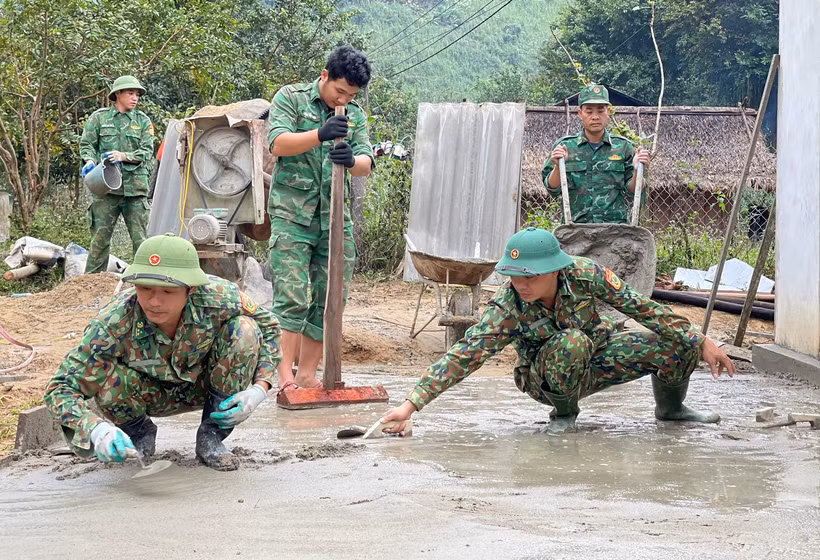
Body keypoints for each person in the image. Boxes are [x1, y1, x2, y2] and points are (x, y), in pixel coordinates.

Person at [380, 227, 735, 435]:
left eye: (530, 276)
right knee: (571, 342)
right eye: (515, 276)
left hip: (598, 355)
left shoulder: (585, 273)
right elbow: (464, 355)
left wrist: (700, 340)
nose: (521, 284)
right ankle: (564, 415)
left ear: (554, 270)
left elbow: (642, 308)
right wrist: (411, 406)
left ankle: (671, 409)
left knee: (679, 342)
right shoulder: (508, 308)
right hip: (546, 377)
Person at [43, 234, 281, 471]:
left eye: (167, 292)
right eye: (145, 289)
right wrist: (94, 428)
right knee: (106, 377)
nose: (154, 301)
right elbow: (60, 388)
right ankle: (139, 434)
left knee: (245, 330)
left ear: (190, 290)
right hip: (147, 394)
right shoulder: (113, 322)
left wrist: (260, 388)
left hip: (207, 386)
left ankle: (211, 436)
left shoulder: (219, 297)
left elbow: (270, 327)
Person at [266, 45, 374, 391]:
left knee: (330, 299)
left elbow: (366, 164)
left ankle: (308, 374)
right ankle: (283, 379)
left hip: (335, 220)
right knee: (292, 296)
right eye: (339, 91)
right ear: (325, 76)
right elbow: (278, 144)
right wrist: (320, 135)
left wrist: (349, 159)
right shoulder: (291, 99)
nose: (342, 99)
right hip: (292, 216)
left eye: (351, 94)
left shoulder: (354, 115)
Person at [542, 84, 650, 224]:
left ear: (608, 112)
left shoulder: (623, 147)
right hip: (576, 230)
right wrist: (557, 166)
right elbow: (552, 189)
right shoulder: (564, 147)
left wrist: (637, 170)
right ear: (580, 114)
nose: (595, 117)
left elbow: (633, 191)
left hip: (615, 230)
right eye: (589, 111)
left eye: (600, 111)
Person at [79, 75, 154, 274]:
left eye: (137, 94)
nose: (135, 97)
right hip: (105, 189)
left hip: (135, 191)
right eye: (130, 93)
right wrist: (89, 160)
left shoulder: (143, 121)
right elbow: (87, 144)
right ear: (117, 94)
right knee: (99, 241)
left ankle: (142, 281)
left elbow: (146, 152)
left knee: (141, 242)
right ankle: (91, 286)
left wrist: (123, 155)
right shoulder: (100, 118)